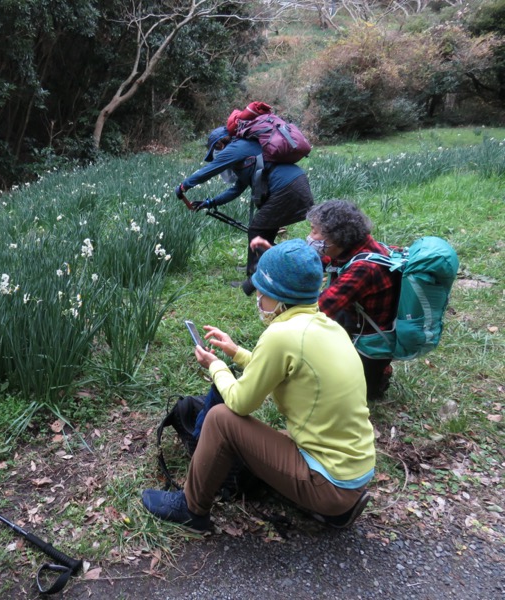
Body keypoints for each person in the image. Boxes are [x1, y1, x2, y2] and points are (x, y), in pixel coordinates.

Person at [142, 239, 376, 531]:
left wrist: (216, 366)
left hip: (328, 484)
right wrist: (236, 352)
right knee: (260, 437)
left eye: (262, 295)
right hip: (353, 472)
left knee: (220, 419)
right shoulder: (326, 326)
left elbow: (240, 402)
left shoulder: (282, 335)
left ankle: (191, 508)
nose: (258, 301)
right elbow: (286, 370)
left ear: (280, 299)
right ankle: (335, 511)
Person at [251, 199, 399, 400]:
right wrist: (277, 257)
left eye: (314, 231)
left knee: (350, 392)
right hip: (355, 324)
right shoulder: (349, 248)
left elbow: (318, 310)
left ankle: (378, 378)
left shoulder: (364, 268)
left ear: (336, 236)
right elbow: (312, 264)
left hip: (368, 344)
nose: (310, 237)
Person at [174, 103, 314, 295]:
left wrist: (184, 186)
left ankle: (257, 277)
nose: (216, 154)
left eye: (215, 149)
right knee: (265, 230)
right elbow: (236, 190)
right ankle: (261, 268)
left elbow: (210, 169)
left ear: (221, 143)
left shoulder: (237, 147)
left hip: (288, 188)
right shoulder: (245, 151)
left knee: (257, 228)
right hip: (294, 185)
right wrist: (210, 202)